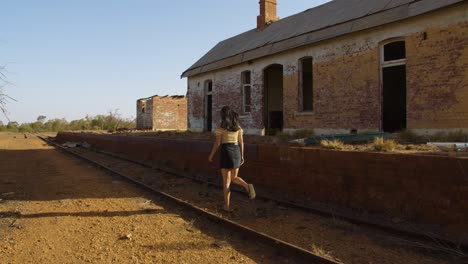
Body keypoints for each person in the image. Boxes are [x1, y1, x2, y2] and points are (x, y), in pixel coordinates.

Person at [208, 106, 255, 212]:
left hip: (226, 152)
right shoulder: (238, 127)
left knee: (227, 182)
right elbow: (241, 142)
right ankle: (247, 186)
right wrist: (242, 155)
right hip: (236, 152)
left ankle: (227, 206)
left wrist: (211, 155)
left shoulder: (221, 127)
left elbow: (218, 143)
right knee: (235, 178)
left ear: (223, 115)